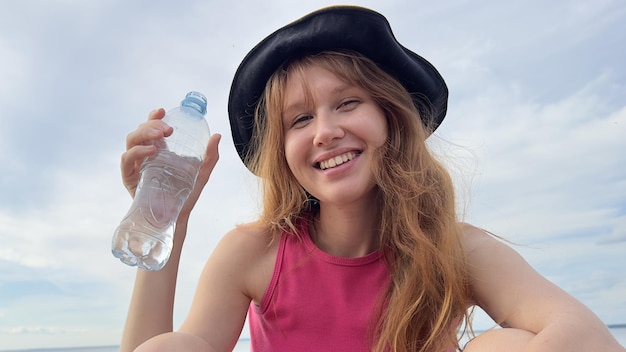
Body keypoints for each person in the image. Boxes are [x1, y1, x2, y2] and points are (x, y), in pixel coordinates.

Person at [118, 6, 625, 352]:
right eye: (299, 120)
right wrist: (165, 219)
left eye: (347, 103)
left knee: (502, 344)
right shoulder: (255, 251)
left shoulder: (455, 248)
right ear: (282, 154)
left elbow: (589, 336)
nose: (326, 132)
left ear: (390, 118)